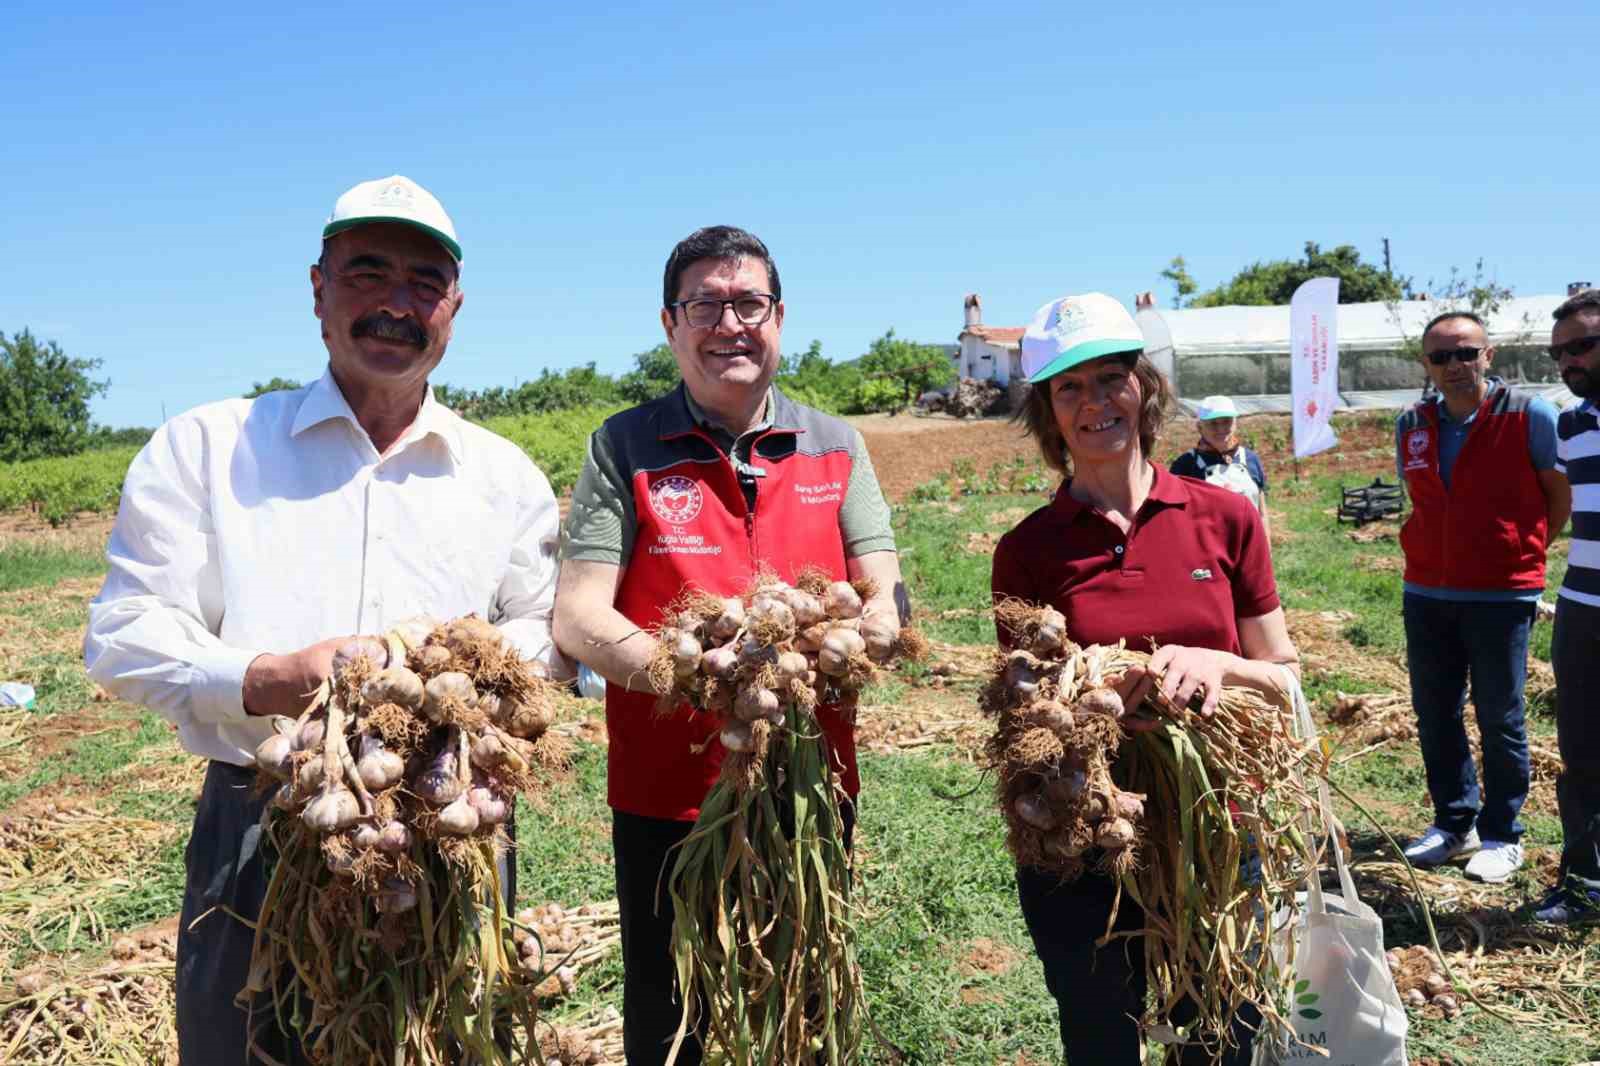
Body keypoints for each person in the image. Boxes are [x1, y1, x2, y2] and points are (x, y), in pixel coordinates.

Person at [83, 175, 567, 1064]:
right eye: (367, 274)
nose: (396, 304)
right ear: (317, 289)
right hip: (261, 822)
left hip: (446, 820)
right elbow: (122, 636)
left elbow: (542, 632)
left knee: (442, 1044)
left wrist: (474, 671)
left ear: (454, 307)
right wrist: (267, 677)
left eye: (425, 283)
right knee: (243, 1045)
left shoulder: (506, 479)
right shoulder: (207, 446)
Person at [552, 226, 904, 1066]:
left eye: (749, 303)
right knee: (671, 1011)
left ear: (779, 317)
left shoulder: (835, 444)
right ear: (671, 324)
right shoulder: (622, 446)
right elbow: (578, 616)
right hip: (667, 790)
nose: (729, 323)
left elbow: (885, 592)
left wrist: (862, 637)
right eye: (705, 304)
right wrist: (691, 674)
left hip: (810, 779)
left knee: (802, 993)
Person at [991, 292, 1298, 1064]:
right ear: (1049, 413)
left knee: (1223, 1033)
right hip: (1088, 832)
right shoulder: (1027, 551)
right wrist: (1088, 701)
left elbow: (1285, 677)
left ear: (1145, 388)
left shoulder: (1224, 517)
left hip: (1217, 824)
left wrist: (1220, 664)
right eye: (1070, 388)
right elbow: (1021, 709)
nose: (1095, 402)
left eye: (1111, 378)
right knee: (1101, 1036)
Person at [1393, 311, 1568, 884]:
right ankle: (1454, 822)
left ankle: (1503, 833)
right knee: (1435, 711)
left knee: (1500, 715)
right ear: (1427, 365)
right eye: (1441, 357)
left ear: (1487, 355)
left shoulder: (1530, 416)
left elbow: (1555, 498)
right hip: (1426, 590)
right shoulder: (1412, 423)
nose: (1455, 366)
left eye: (1465, 353)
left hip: (1500, 593)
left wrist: (1519, 548)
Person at [1540, 287, 1600, 922]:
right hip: (1582, 609)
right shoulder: (1571, 424)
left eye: (1581, 346)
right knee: (1582, 754)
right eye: (1559, 353)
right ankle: (1585, 884)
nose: (1567, 362)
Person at [1168, 393, 1271, 537]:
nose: (1221, 429)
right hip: (1207, 552)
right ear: (1200, 427)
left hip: (1249, 546)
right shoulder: (1185, 465)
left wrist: (1266, 552)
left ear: (1235, 423)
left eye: (1227, 421)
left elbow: (1262, 513)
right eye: (1213, 423)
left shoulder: (1250, 459)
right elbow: (1175, 519)